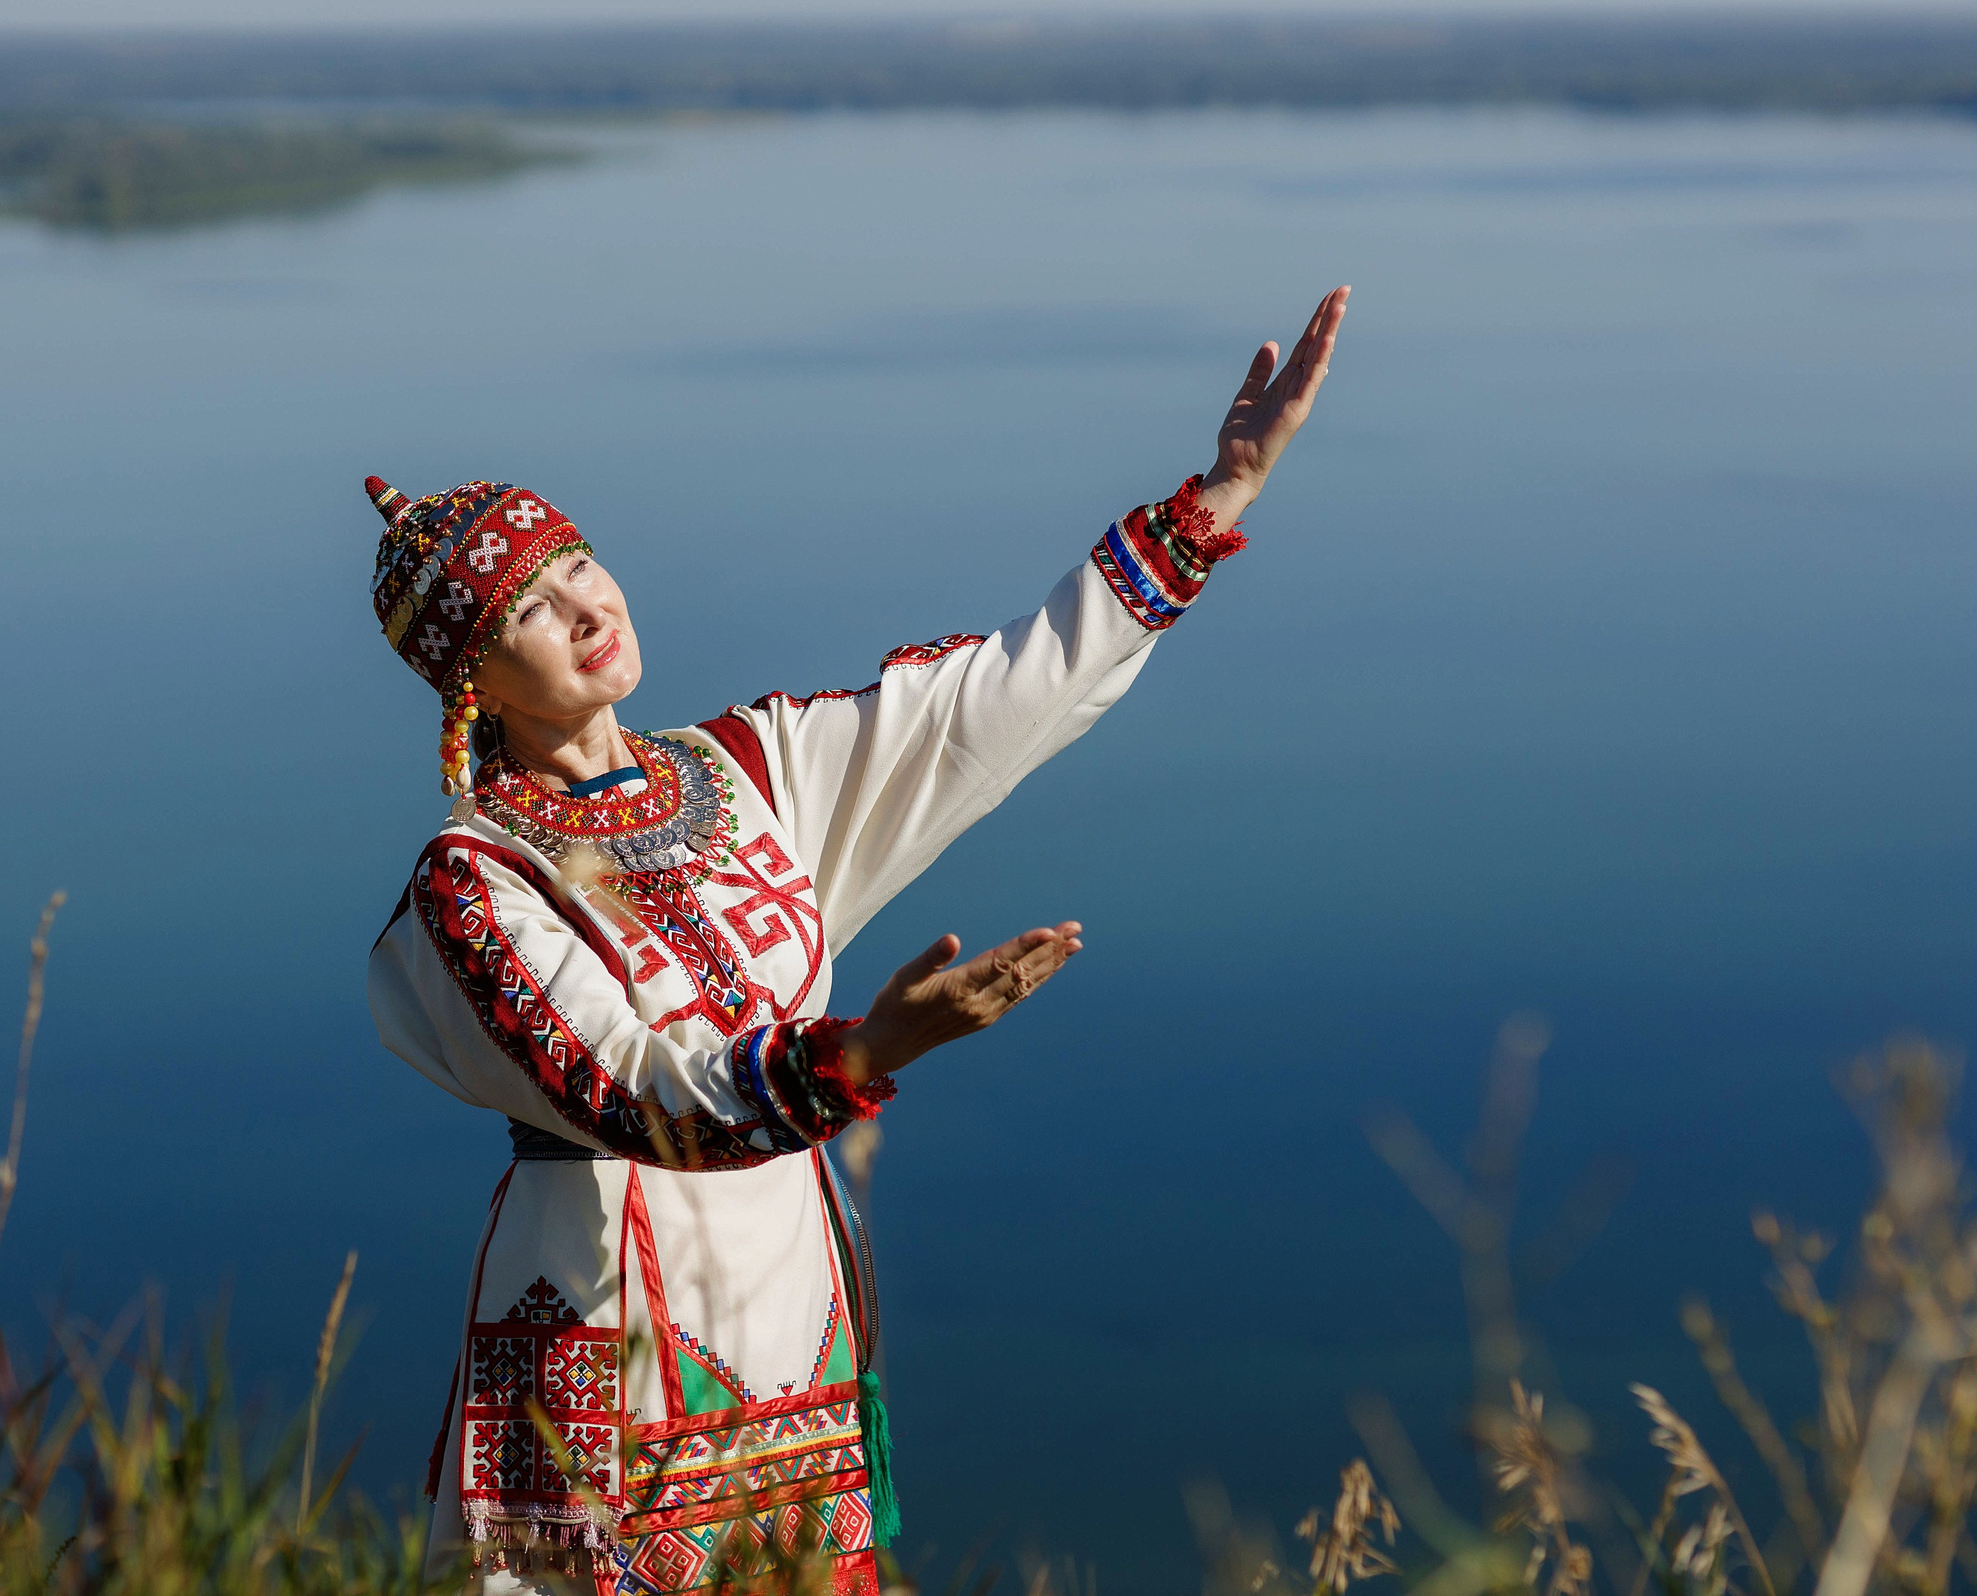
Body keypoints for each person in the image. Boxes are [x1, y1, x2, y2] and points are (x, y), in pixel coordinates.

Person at [364, 287, 1349, 1595]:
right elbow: (626, 1092)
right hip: (603, 1316)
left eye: (577, 565)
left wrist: (1217, 497)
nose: (587, 606)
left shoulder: (747, 771)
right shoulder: (479, 882)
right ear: (471, 675)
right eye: (532, 607)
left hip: (788, 1309)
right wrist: (871, 1045)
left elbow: (983, 707)